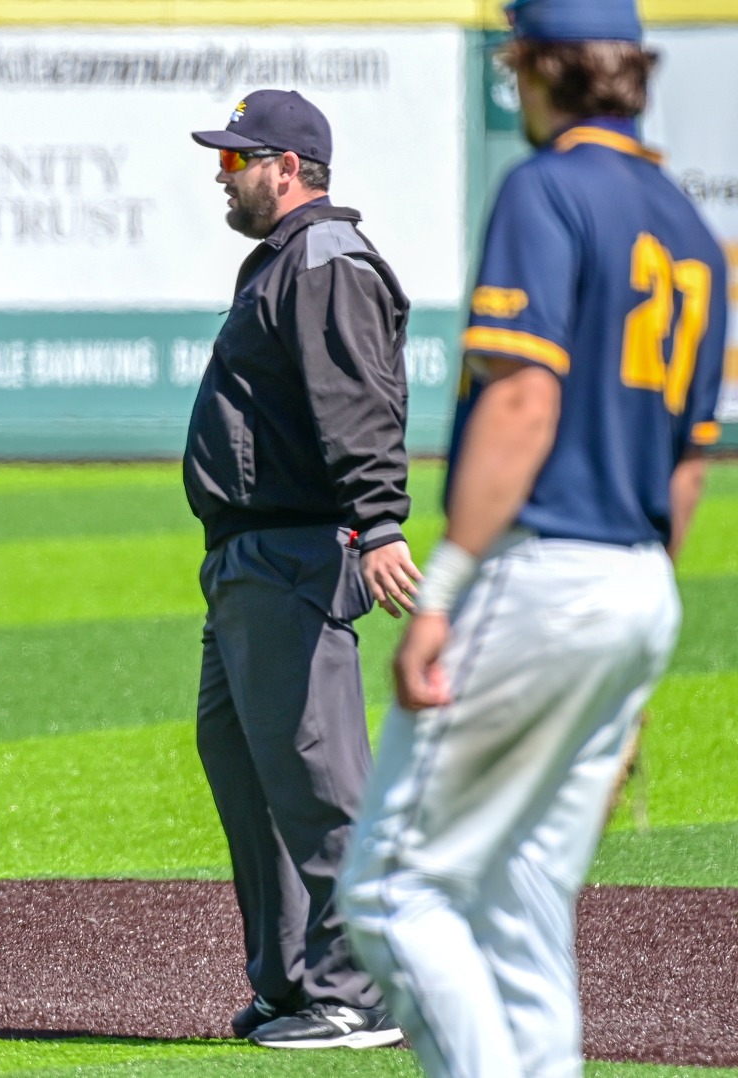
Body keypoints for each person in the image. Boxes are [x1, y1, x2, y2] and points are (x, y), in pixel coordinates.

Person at [340, 0, 727, 1072]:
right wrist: (631, 657)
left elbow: (523, 402)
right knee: (517, 896)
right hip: (638, 582)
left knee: (394, 892)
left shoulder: (547, 188)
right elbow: (687, 468)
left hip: (539, 569)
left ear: (546, 68)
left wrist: (449, 586)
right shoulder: (689, 227)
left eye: (517, 64)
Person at [182, 90, 416, 1049]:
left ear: (287, 165)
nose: (221, 174)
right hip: (248, 556)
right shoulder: (286, 261)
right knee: (244, 762)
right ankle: (293, 982)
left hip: (295, 550)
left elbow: (354, 398)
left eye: (237, 159)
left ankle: (357, 993)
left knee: (318, 775)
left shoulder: (322, 261)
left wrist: (380, 520)